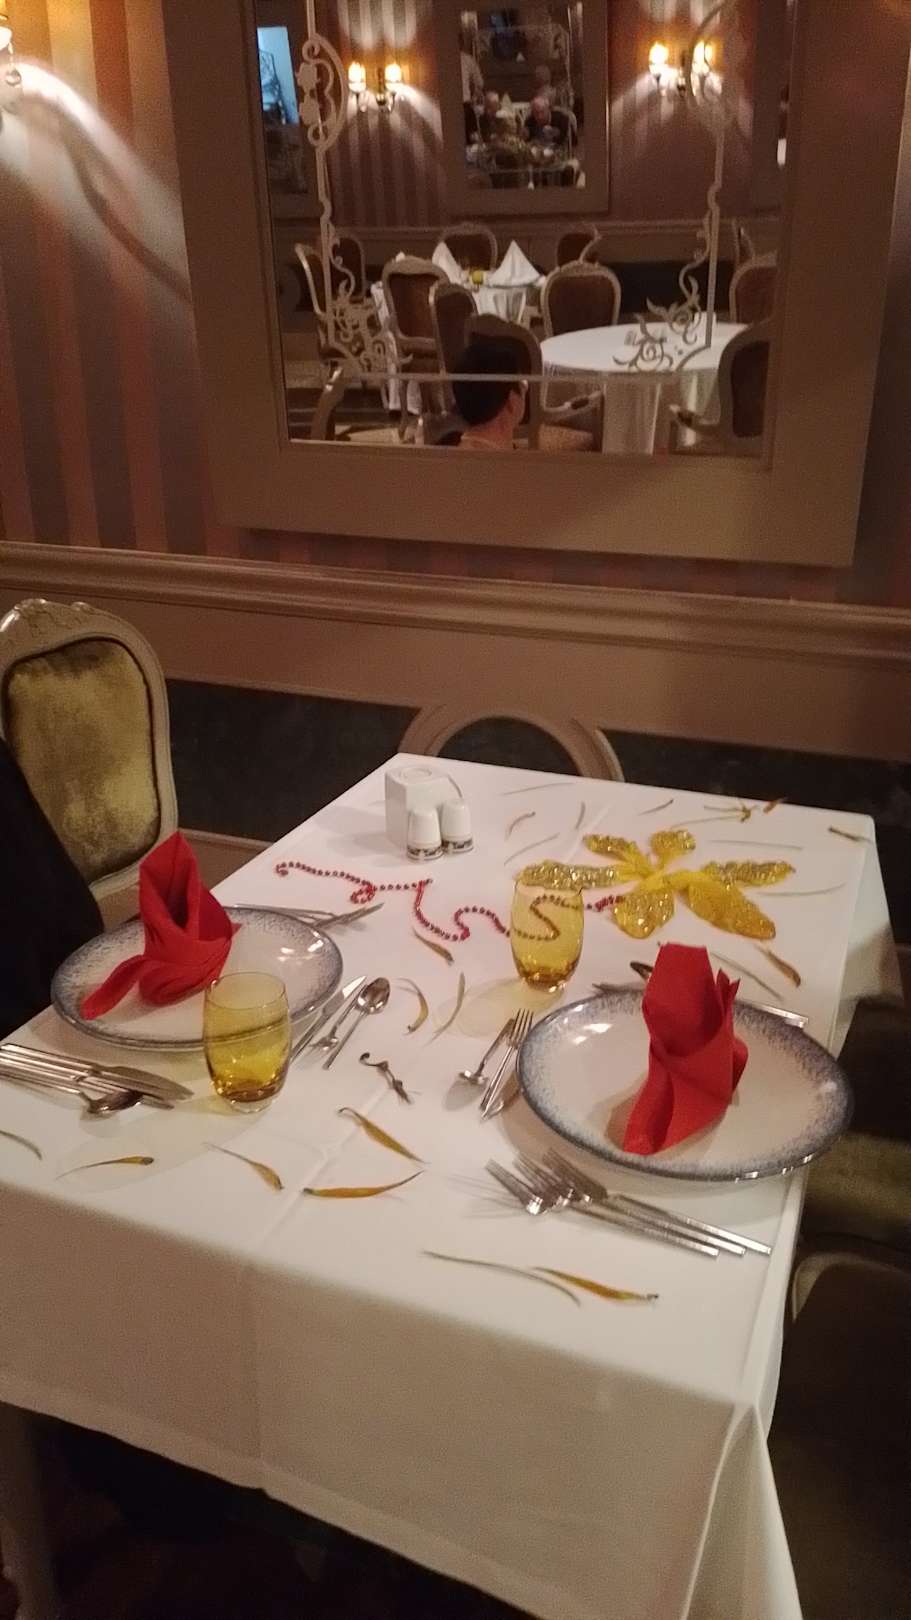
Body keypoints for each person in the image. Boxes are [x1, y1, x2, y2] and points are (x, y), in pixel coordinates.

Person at [451, 338, 528, 450]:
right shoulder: (504, 460)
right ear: (511, 400)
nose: (526, 388)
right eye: (524, 384)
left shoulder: (452, 452)